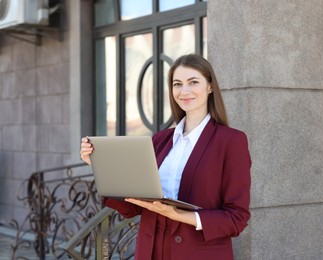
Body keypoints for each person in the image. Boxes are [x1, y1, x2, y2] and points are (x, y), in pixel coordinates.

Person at [80, 54, 251, 260]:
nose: (184, 91)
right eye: (177, 84)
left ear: (210, 86)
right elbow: (132, 206)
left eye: (193, 82)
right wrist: (100, 166)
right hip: (149, 252)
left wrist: (180, 215)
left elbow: (236, 218)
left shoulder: (231, 141)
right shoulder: (160, 140)